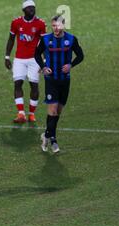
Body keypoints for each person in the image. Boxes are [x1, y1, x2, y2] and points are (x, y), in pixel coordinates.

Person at [35, 15, 84, 153]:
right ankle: (54, 140)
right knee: (53, 110)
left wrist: (71, 65)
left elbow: (80, 56)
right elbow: (37, 54)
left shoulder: (71, 39)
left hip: (65, 80)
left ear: (63, 25)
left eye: (58, 25)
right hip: (51, 80)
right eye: (53, 26)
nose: (56, 28)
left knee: (58, 113)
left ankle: (46, 135)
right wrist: (43, 68)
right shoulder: (45, 39)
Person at [4, 0, 46, 123]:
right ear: (24, 10)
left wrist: (44, 60)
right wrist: (7, 57)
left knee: (34, 85)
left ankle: (31, 114)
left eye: (33, 8)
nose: (32, 10)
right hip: (19, 59)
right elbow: (11, 39)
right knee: (18, 83)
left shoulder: (40, 24)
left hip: (34, 59)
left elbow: (44, 43)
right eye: (29, 8)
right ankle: (21, 113)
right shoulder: (16, 22)